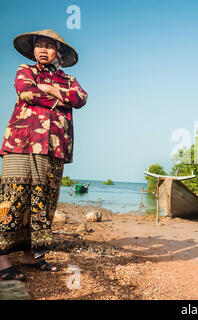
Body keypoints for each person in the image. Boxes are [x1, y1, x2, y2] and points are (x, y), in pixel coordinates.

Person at [0, 29, 87, 281]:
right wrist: (61, 99)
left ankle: (31, 256)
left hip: (55, 146)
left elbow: (81, 98)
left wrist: (51, 89)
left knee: (44, 202)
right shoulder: (24, 70)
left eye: (49, 46)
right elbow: (26, 91)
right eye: (39, 46)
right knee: (13, 198)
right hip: (21, 142)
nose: (43, 50)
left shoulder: (68, 78)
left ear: (57, 52)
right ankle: (2, 259)